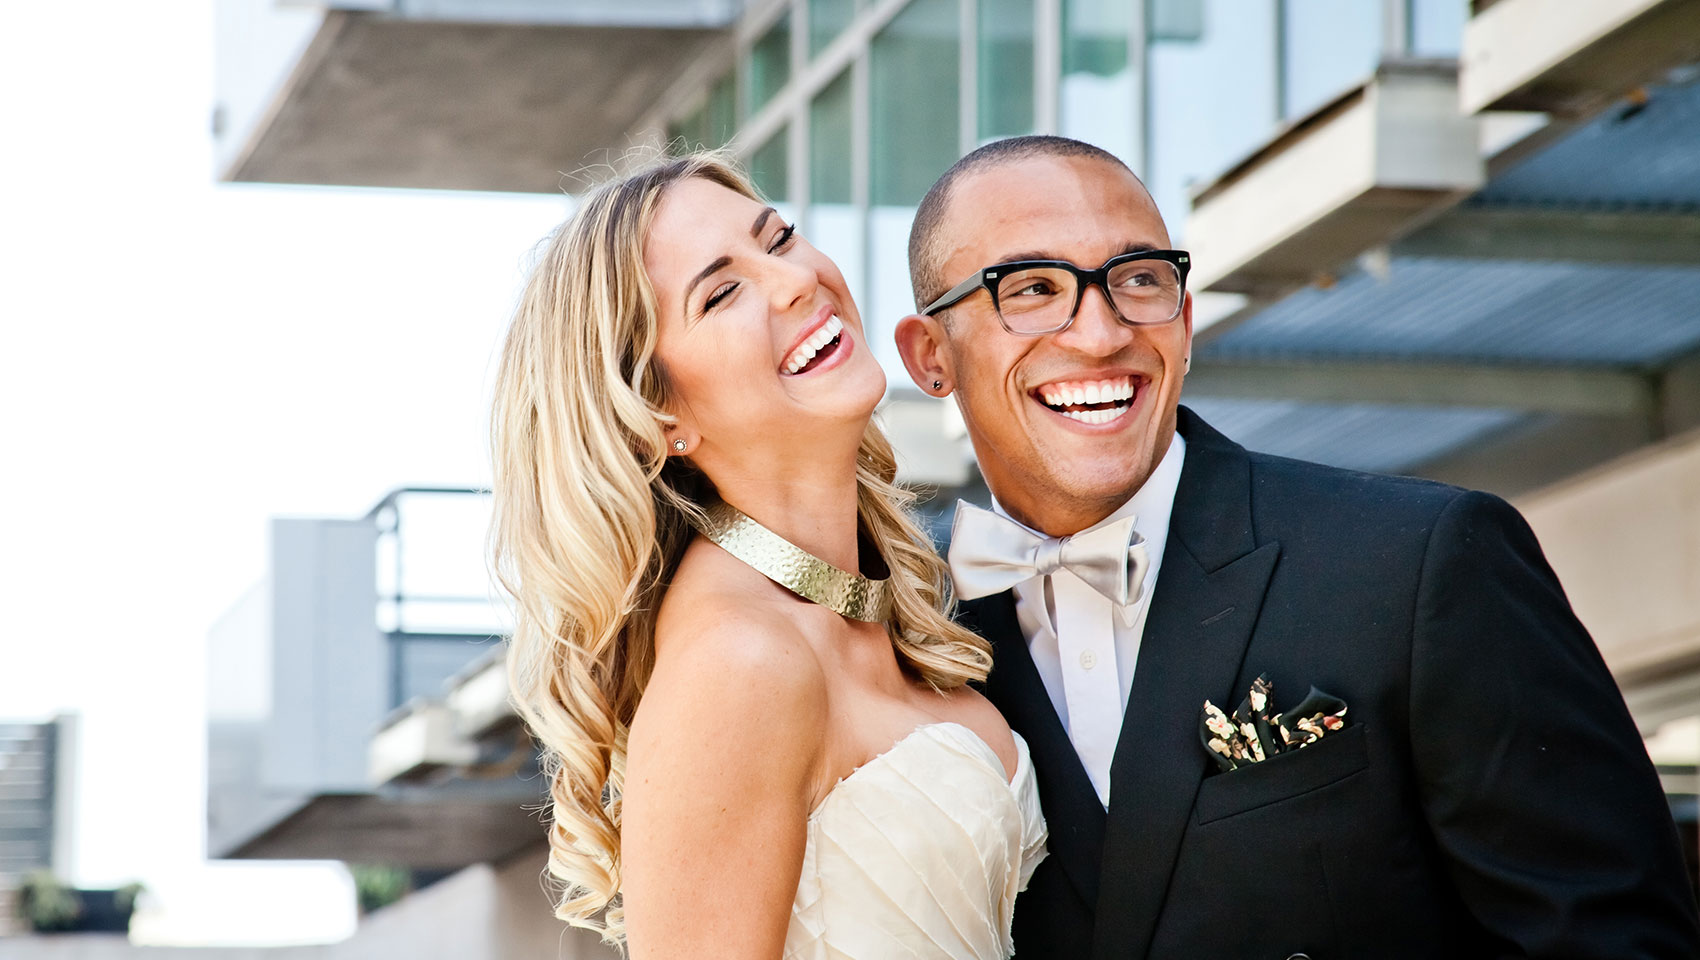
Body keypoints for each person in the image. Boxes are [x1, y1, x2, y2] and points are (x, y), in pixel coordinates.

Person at [893, 134, 1700, 959]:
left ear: (1185, 317)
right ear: (930, 356)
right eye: (1030, 288)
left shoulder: (1417, 560)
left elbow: (1612, 940)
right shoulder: (898, 631)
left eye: (1139, 280)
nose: (1100, 334)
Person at [488, 152, 1046, 960]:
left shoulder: (874, 608)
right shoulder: (737, 661)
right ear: (657, 413)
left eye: (779, 239)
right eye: (721, 293)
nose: (794, 282)